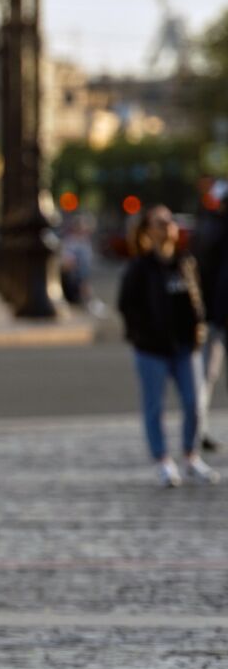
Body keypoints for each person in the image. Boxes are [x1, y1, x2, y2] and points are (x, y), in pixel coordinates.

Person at [117, 205, 219, 487]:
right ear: (148, 230)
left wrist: (199, 330)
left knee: (193, 403)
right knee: (154, 407)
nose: (166, 227)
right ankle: (162, 460)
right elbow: (127, 306)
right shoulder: (141, 267)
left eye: (169, 221)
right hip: (152, 348)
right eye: (159, 222)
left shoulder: (185, 262)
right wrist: (141, 335)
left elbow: (197, 299)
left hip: (186, 346)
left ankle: (190, 455)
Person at [194, 181, 228, 452]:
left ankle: (198, 431)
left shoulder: (208, 228)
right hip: (217, 315)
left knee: (206, 376)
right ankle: (197, 432)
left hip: (212, 314)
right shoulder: (214, 230)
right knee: (206, 375)